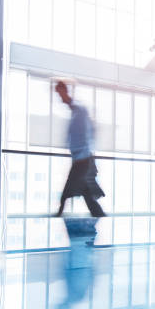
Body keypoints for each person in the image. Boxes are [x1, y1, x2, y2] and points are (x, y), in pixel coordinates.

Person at [54, 80, 106, 217]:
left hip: (82, 159)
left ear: (64, 91)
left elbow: (88, 132)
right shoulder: (76, 111)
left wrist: (83, 153)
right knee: (86, 192)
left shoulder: (79, 110)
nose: (60, 99)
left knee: (68, 189)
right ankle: (100, 215)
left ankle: (59, 214)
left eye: (60, 94)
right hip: (80, 158)